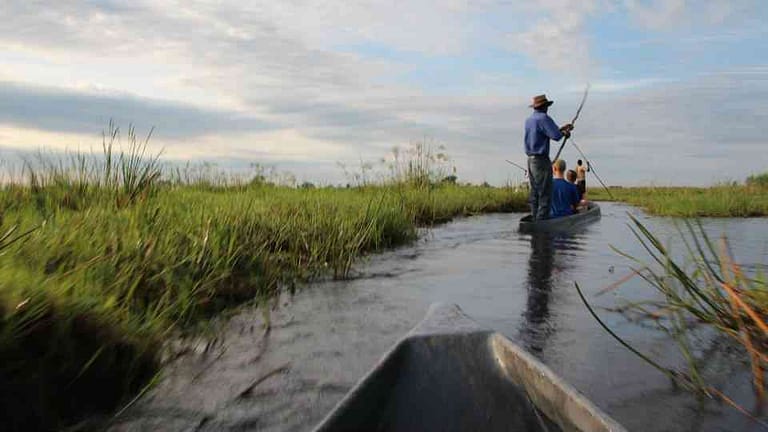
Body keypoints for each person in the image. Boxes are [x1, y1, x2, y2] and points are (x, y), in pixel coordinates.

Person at [524, 94, 574, 220]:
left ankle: (535, 219)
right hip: (541, 161)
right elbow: (556, 136)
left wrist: (562, 129)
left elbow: (547, 132)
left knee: (535, 192)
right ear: (545, 107)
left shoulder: (529, 120)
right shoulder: (544, 118)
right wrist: (564, 133)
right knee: (545, 194)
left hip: (530, 161)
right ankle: (542, 224)